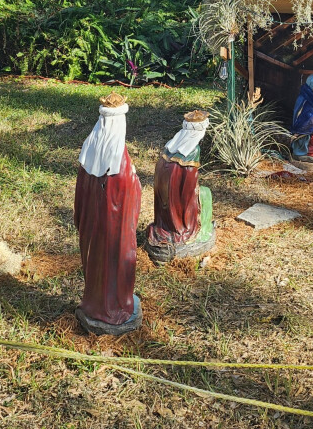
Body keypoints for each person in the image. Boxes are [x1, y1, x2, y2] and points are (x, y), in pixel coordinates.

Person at [74, 92, 142, 335]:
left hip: (93, 231)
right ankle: (115, 308)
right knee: (114, 268)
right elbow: (128, 197)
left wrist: (81, 221)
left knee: (96, 267)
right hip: (116, 233)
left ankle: (94, 304)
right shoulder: (119, 162)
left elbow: (80, 196)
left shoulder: (89, 151)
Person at [145, 110, 214, 261]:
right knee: (205, 194)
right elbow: (189, 186)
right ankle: (188, 230)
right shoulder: (193, 150)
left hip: (164, 205)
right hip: (180, 206)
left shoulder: (169, 149)